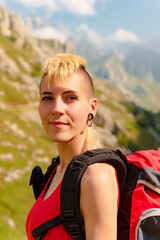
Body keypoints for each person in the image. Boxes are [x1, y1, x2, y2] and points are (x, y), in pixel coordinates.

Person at [26, 54, 119, 240]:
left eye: (70, 97)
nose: (57, 108)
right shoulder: (56, 171)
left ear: (92, 107)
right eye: (47, 98)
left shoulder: (96, 177)